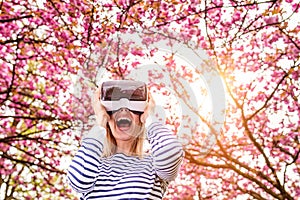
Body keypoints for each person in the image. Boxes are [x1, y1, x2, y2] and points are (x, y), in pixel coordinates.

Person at [67, 80, 184, 200]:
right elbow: (78, 181)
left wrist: (149, 116)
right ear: (108, 117)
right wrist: (100, 121)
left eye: (132, 107)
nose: (123, 110)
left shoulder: (154, 165)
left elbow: (171, 152)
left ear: (140, 118)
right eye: (115, 108)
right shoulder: (93, 163)